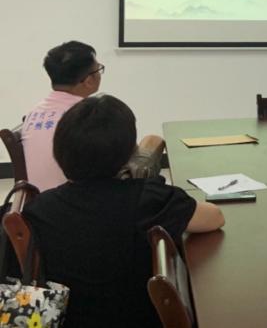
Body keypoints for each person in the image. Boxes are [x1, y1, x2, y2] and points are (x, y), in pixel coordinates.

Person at [23, 95, 225, 328]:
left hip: (64, 319)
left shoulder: (39, 208)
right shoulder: (148, 199)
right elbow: (214, 218)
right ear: (128, 153)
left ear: (59, 150)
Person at [21, 41, 164, 190]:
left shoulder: (33, 113)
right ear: (89, 81)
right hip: (83, 196)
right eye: (98, 69)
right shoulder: (90, 117)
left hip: (40, 197)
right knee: (153, 141)